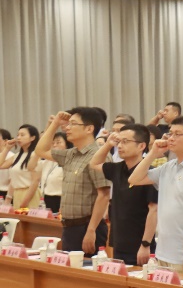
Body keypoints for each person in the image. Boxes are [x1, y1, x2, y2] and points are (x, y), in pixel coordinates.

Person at [127, 116, 183, 276]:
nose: (171, 138)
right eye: (170, 133)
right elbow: (134, 179)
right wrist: (153, 153)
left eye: (177, 134)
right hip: (164, 253)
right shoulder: (168, 167)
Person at [34, 108, 109, 254]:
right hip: (69, 226)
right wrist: (55, 123)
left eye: (73, 124)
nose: (67, 128)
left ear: (89, 129)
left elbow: (104, 195)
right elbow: (40, 150)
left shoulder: (99, 155)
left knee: (87, 267)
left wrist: (91, 230)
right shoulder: (70, 154)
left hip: (87, 227)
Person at [89, 125, 158, 267]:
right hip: (119, 242)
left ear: (141, 146)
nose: (120, 146)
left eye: (125, 142)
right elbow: (94, 163)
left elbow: (153, 210)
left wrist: (146, 244)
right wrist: (108, 144)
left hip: (140, 245)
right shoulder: (118, 168)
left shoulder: (150, 174)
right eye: (119, 142)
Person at [0, 125, 48, 209]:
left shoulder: (35, 155)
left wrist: (24, 202)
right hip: (17, 193)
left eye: (22, 135)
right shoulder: (17, 155)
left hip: (29, 194)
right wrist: (7, 148)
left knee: (27, 216)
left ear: (32, 138)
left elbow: (35, 181)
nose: (19, 138)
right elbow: (1, 165)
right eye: (18, 135)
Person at [39, 132, 66, 214]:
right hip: (45, 199)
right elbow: (31, 166)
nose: (54, 145)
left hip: (60, 200)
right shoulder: (47, 161)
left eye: (58, 142)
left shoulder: (68, 162)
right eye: (52, 143)